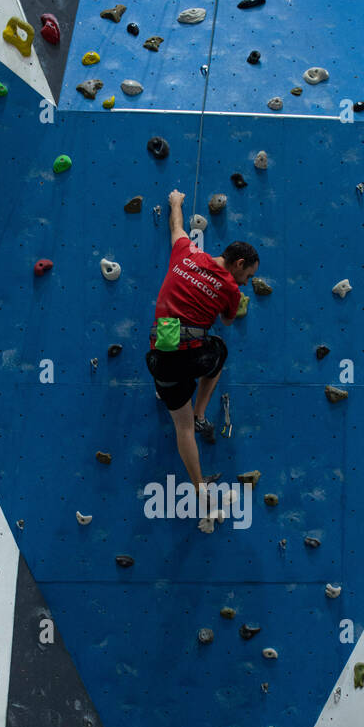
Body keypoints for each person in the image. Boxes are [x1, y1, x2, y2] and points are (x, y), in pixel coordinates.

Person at [146, 190, 259, 522]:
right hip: (192, 358)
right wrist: (231, 301)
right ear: (238, 264)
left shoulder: (186, 252)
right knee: (219, 352)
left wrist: (176, 202)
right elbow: (225, 321)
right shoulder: (231, 287)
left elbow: (176, 228)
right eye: (248, 275)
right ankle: (199, 412)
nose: (247, 282)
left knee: (180, 428)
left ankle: (200, 490)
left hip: (159, 357)